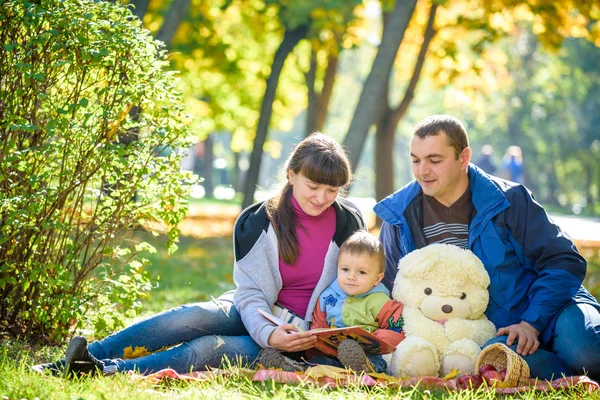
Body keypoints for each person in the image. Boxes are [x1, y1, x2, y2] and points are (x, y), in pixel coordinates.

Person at [33, 132, 365, 377]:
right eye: (313, 186)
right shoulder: (259, 222)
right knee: (191, 317)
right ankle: (82, 356)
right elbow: (250, 294)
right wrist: (268, 332)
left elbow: (359, 285)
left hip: (305, 333)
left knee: (209, 349)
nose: (322, 198)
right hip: (257, 310)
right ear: (292, 175)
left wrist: (306, 338)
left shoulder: (349, 224)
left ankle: (108, 369)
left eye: (332, 190)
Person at [373, 115, 600, 381]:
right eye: (415, 160)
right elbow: (389, 288)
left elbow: (563, 260)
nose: (423, 171)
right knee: (490, 360)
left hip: (553, 309)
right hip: (490, 335)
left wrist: (531, 322)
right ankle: (562, 374)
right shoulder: (399, 215)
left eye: (434, 160)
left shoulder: (510, 200)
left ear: (464, 158)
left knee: (587, 353)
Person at [259, 231, 405, 373]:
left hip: (368, 354)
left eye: (362, 272)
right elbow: (318, 326)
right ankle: (294, 368)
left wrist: (376, 339)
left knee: (376, 363)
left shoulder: (381, 301)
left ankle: (363, 368)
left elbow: (396, 328)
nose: (351, 277)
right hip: (331, 354)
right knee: (319, 363)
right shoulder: (327, 297)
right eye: (345, 269)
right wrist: (316, 340)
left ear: (377, 279)